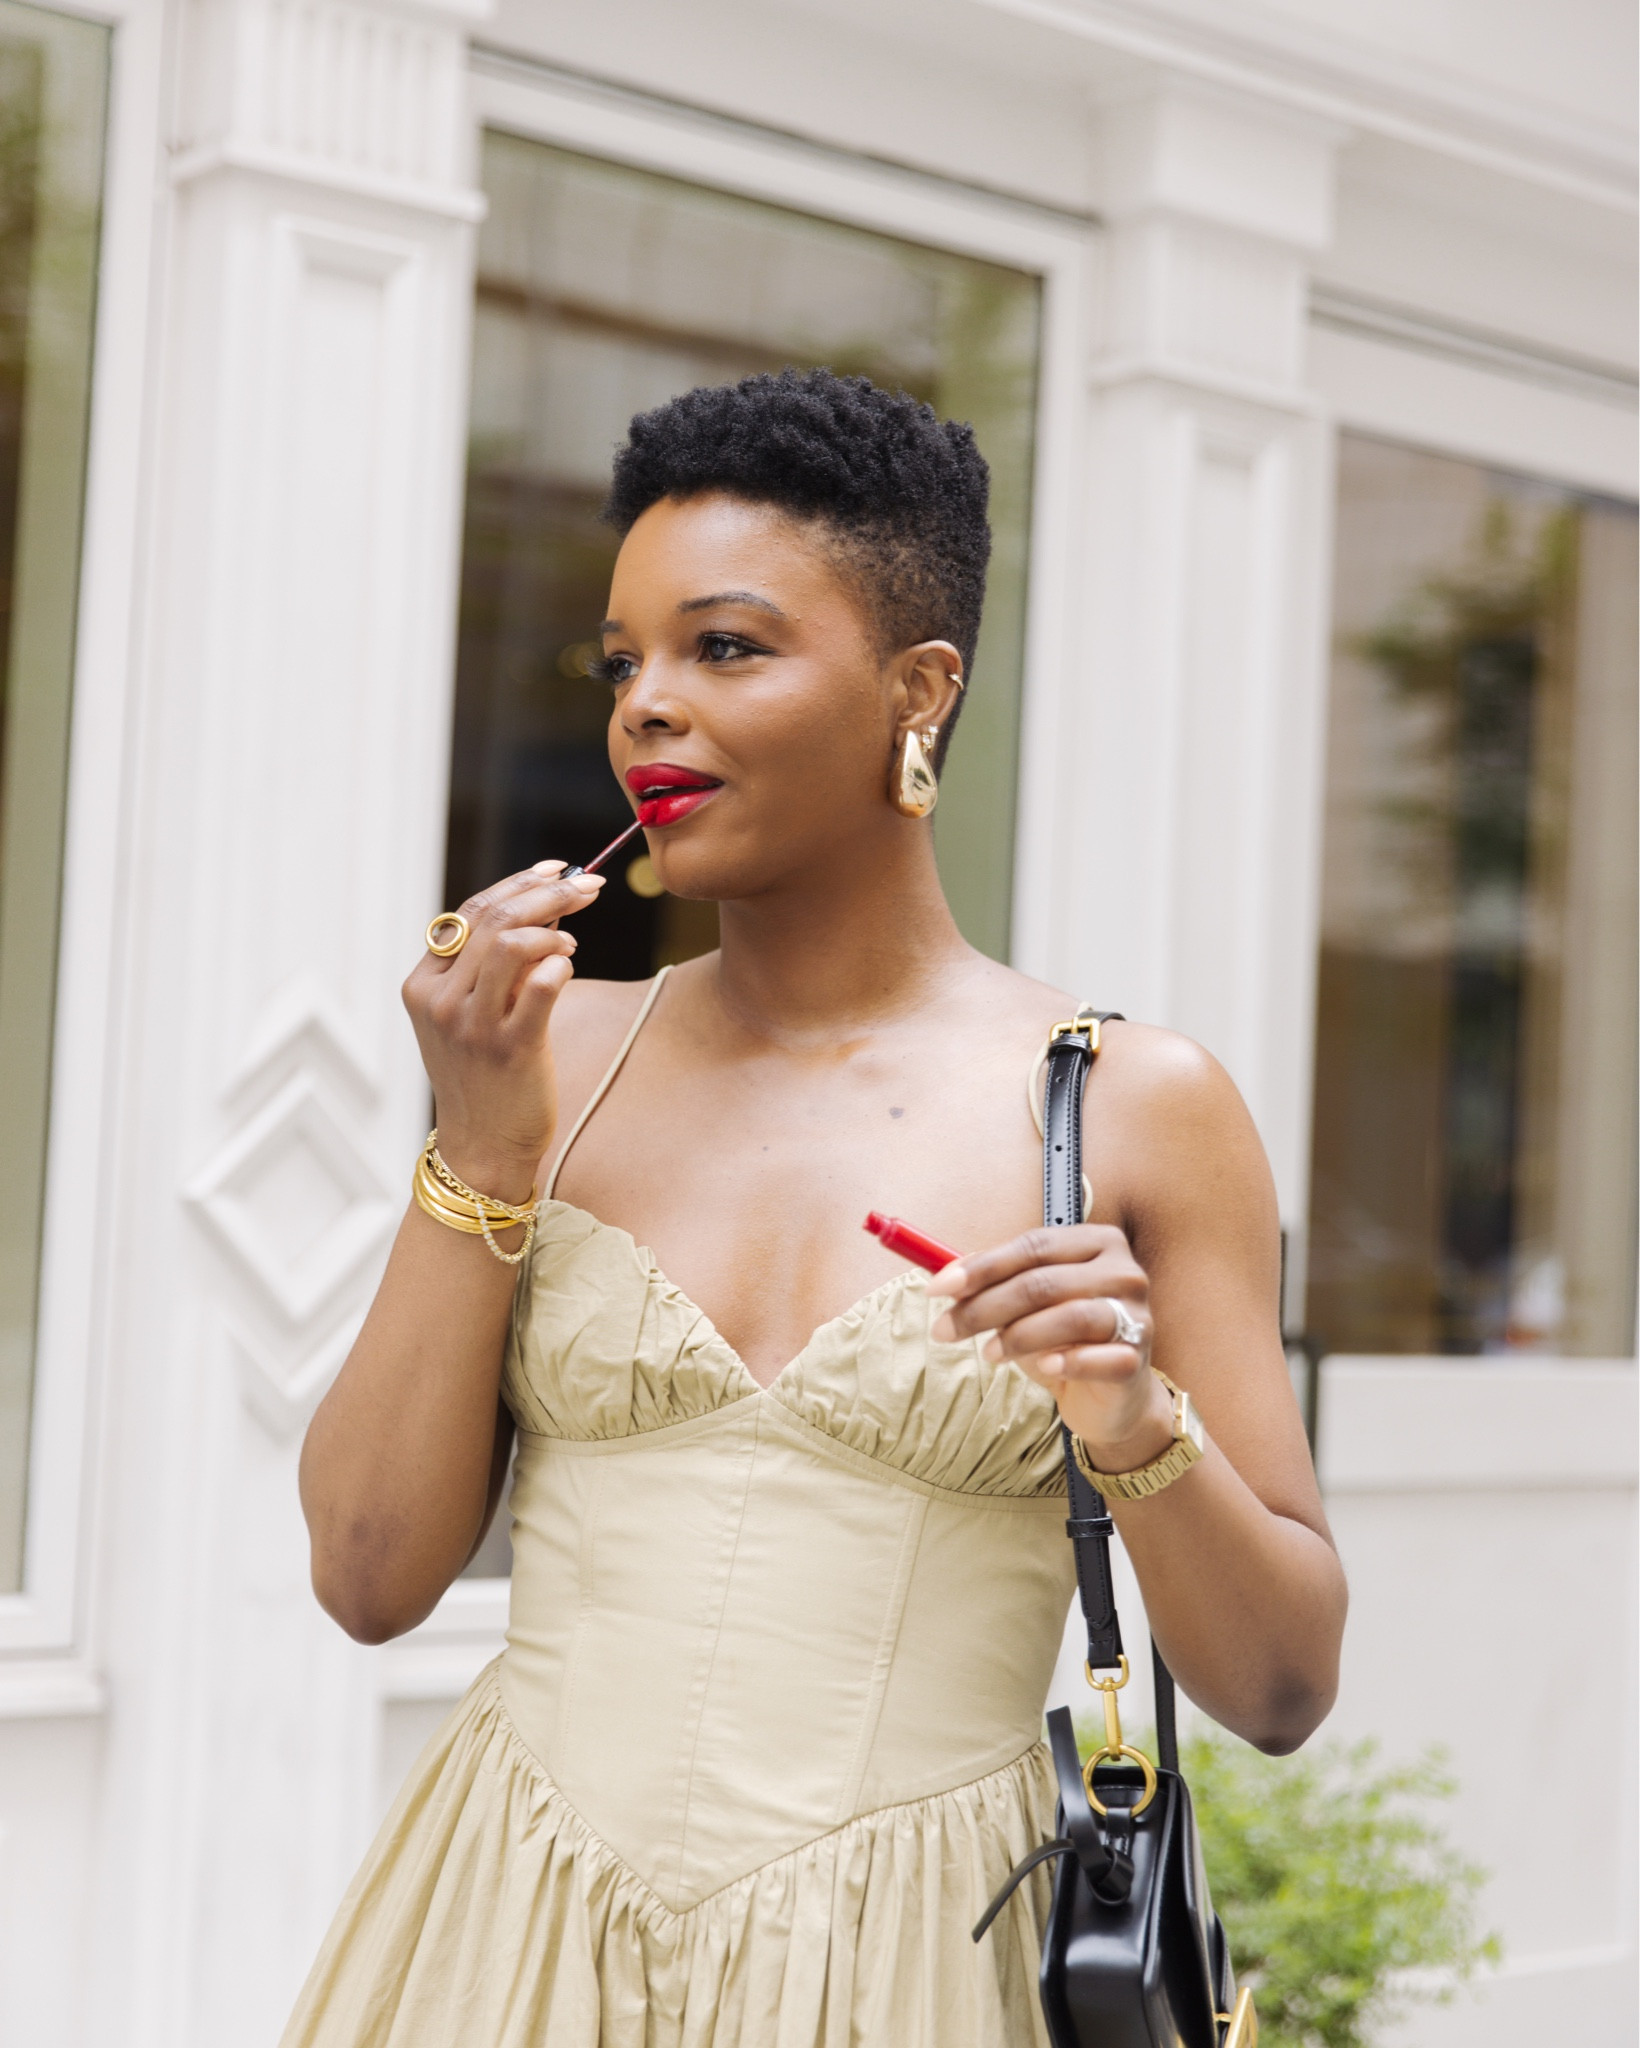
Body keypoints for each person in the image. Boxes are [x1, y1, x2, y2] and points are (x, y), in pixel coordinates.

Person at [284, 368, 1347, 2048]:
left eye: (725, 648)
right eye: (622, 661)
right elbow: (365, 1575)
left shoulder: (1133, 1103)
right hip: (512, 1942)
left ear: (918, 691)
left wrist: (1131, 1419)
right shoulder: (544, 1057)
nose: (646, 706)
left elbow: (1283, 1684)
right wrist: (478, 1159)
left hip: (915, 1964)